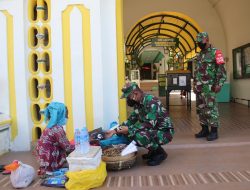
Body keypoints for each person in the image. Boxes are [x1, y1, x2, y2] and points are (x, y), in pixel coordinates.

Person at [106, 82, 174, 166]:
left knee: (140, 135)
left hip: (164, 132)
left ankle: (160, 153)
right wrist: (115, 131)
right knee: (127, 133)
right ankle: (153, 151)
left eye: (128, 97)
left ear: (135, 93)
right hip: (154, 129)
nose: (128, 99)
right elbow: (131, 120)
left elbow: (149, 123)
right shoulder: (138, 104)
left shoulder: (152, 101)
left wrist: (129, 130)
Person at [193, 32, 227, 141]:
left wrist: (219, 84)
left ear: (207, 39)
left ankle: (213, 131)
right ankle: (204, 129)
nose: (199, 43)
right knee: (201, 109)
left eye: (200, 41)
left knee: (211, 108)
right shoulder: (199, 55)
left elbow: (221, 69)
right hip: (199, 87)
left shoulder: (216, 52)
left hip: (210, 86)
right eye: (197, 41)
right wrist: (194, 85)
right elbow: (196, 71)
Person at [36, 102, 74, 175]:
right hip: (50, 161)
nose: (67, 117)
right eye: (65, 115)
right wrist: (82, 145)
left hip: (43, 160)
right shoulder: (57, 129)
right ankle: (51, 169)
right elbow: (68, 148)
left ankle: (46, 169)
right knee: (71, 153)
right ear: (59, 115)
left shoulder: (49, 127)